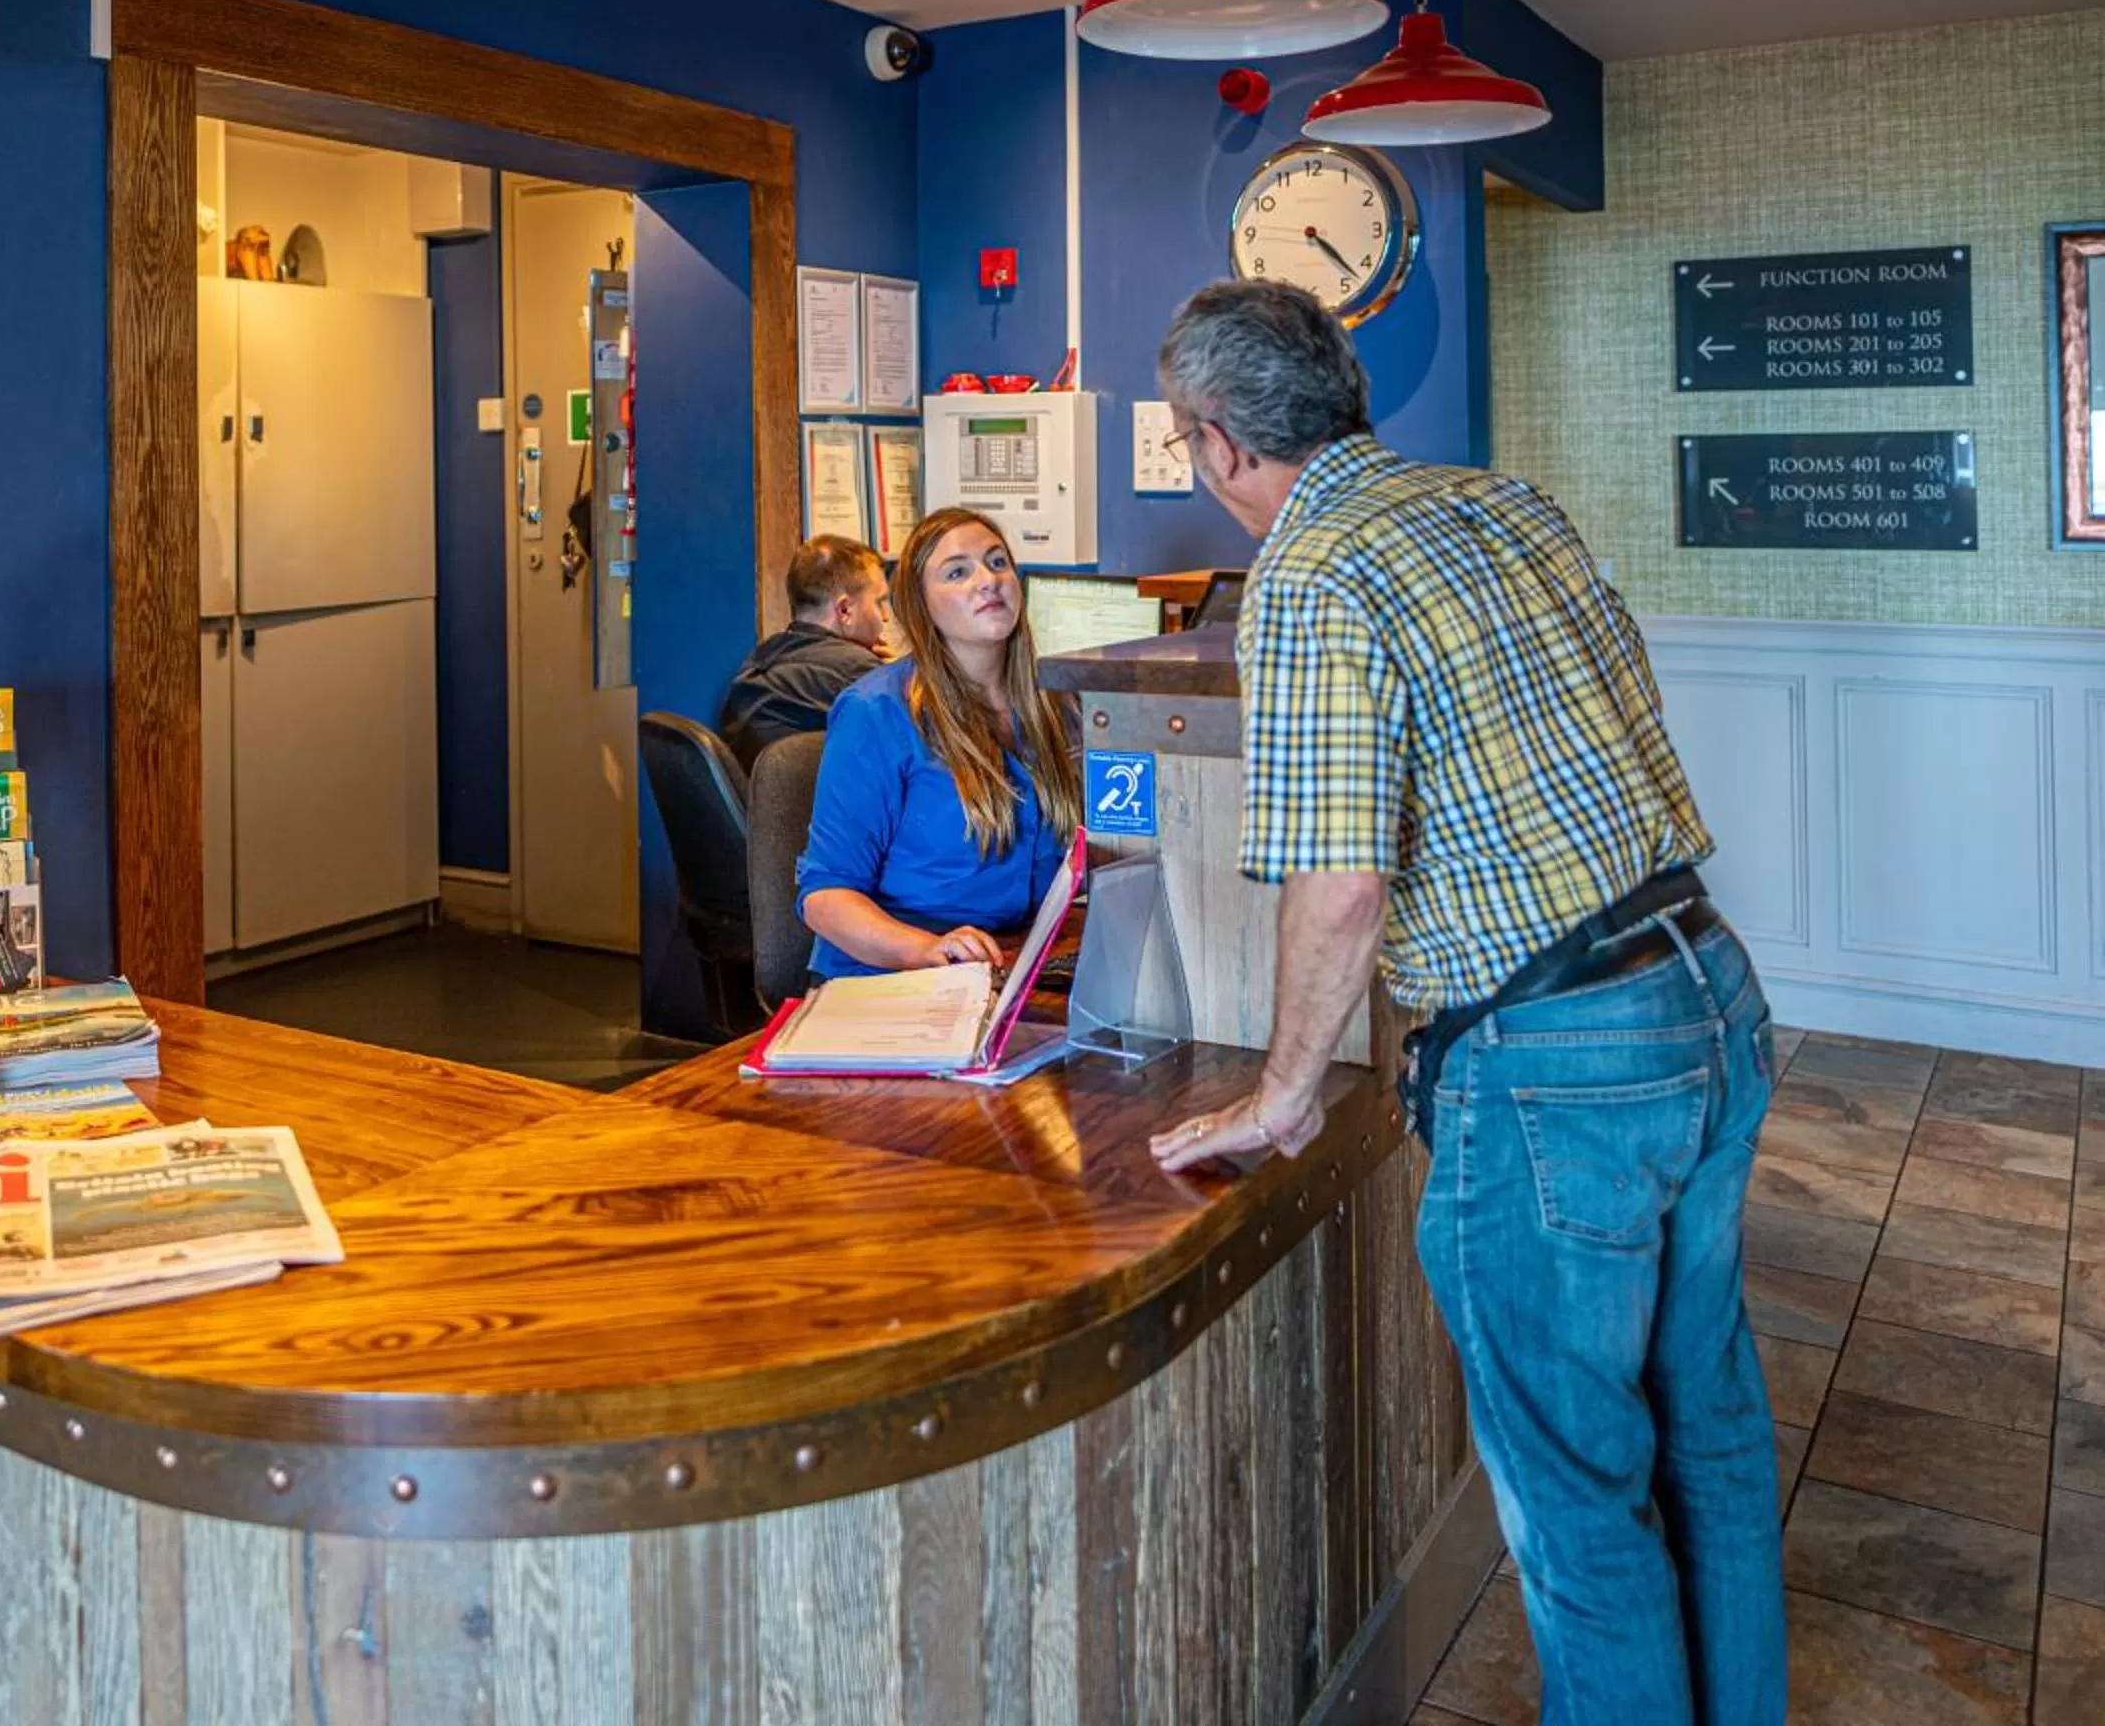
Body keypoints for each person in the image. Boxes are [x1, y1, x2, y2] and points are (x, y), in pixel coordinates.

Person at [1141, 280, 1778, 1724]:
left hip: (1556, 1060)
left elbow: (1344, 881)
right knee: (1713, 1436)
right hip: (1705, 984)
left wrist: (1282, 1094)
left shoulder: (1310, 571)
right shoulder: (1505, 500)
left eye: (1190, 445)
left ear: (1222, 440)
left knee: (1576, 1496)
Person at [794, 508, 1078, 977]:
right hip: (894, 981)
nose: (987, 580)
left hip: (1007, 967)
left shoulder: (1055, 705)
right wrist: (928, 950)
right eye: (958, 572)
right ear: (920, 606)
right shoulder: (877, 713)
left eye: (997, 562)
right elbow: (825, 898)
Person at [715, 534, 894, 769]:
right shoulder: (859, 672)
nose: (885, 616)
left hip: (764, 802)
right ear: (844, 610)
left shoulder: (761, 659)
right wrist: (897, 677)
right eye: (879, 602)